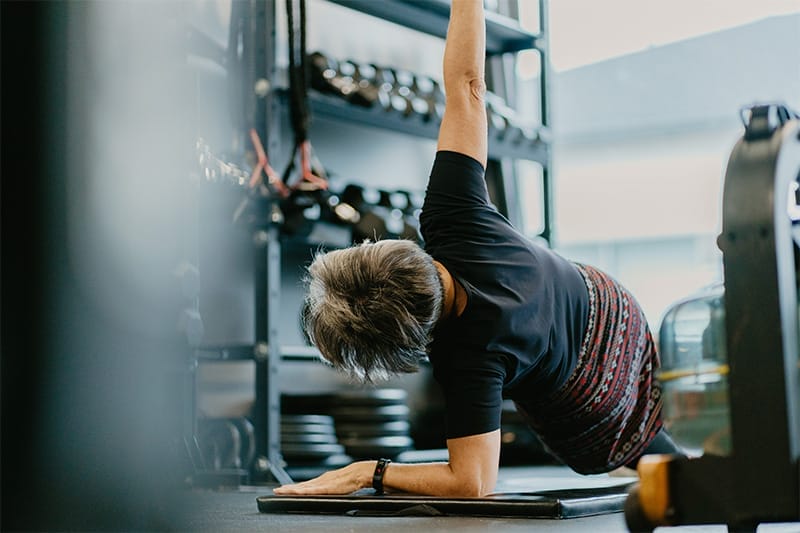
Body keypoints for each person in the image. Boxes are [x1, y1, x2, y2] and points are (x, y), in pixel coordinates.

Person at [273, 0, 681, 498]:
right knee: (662, 438)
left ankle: (677, 470)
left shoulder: (466, 358)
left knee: (627, 448)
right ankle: (691, 473)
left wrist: (367, 472)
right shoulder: (450, 217)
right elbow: (467, 86)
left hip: (593, 409)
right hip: (620, 312)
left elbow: (473, 482)